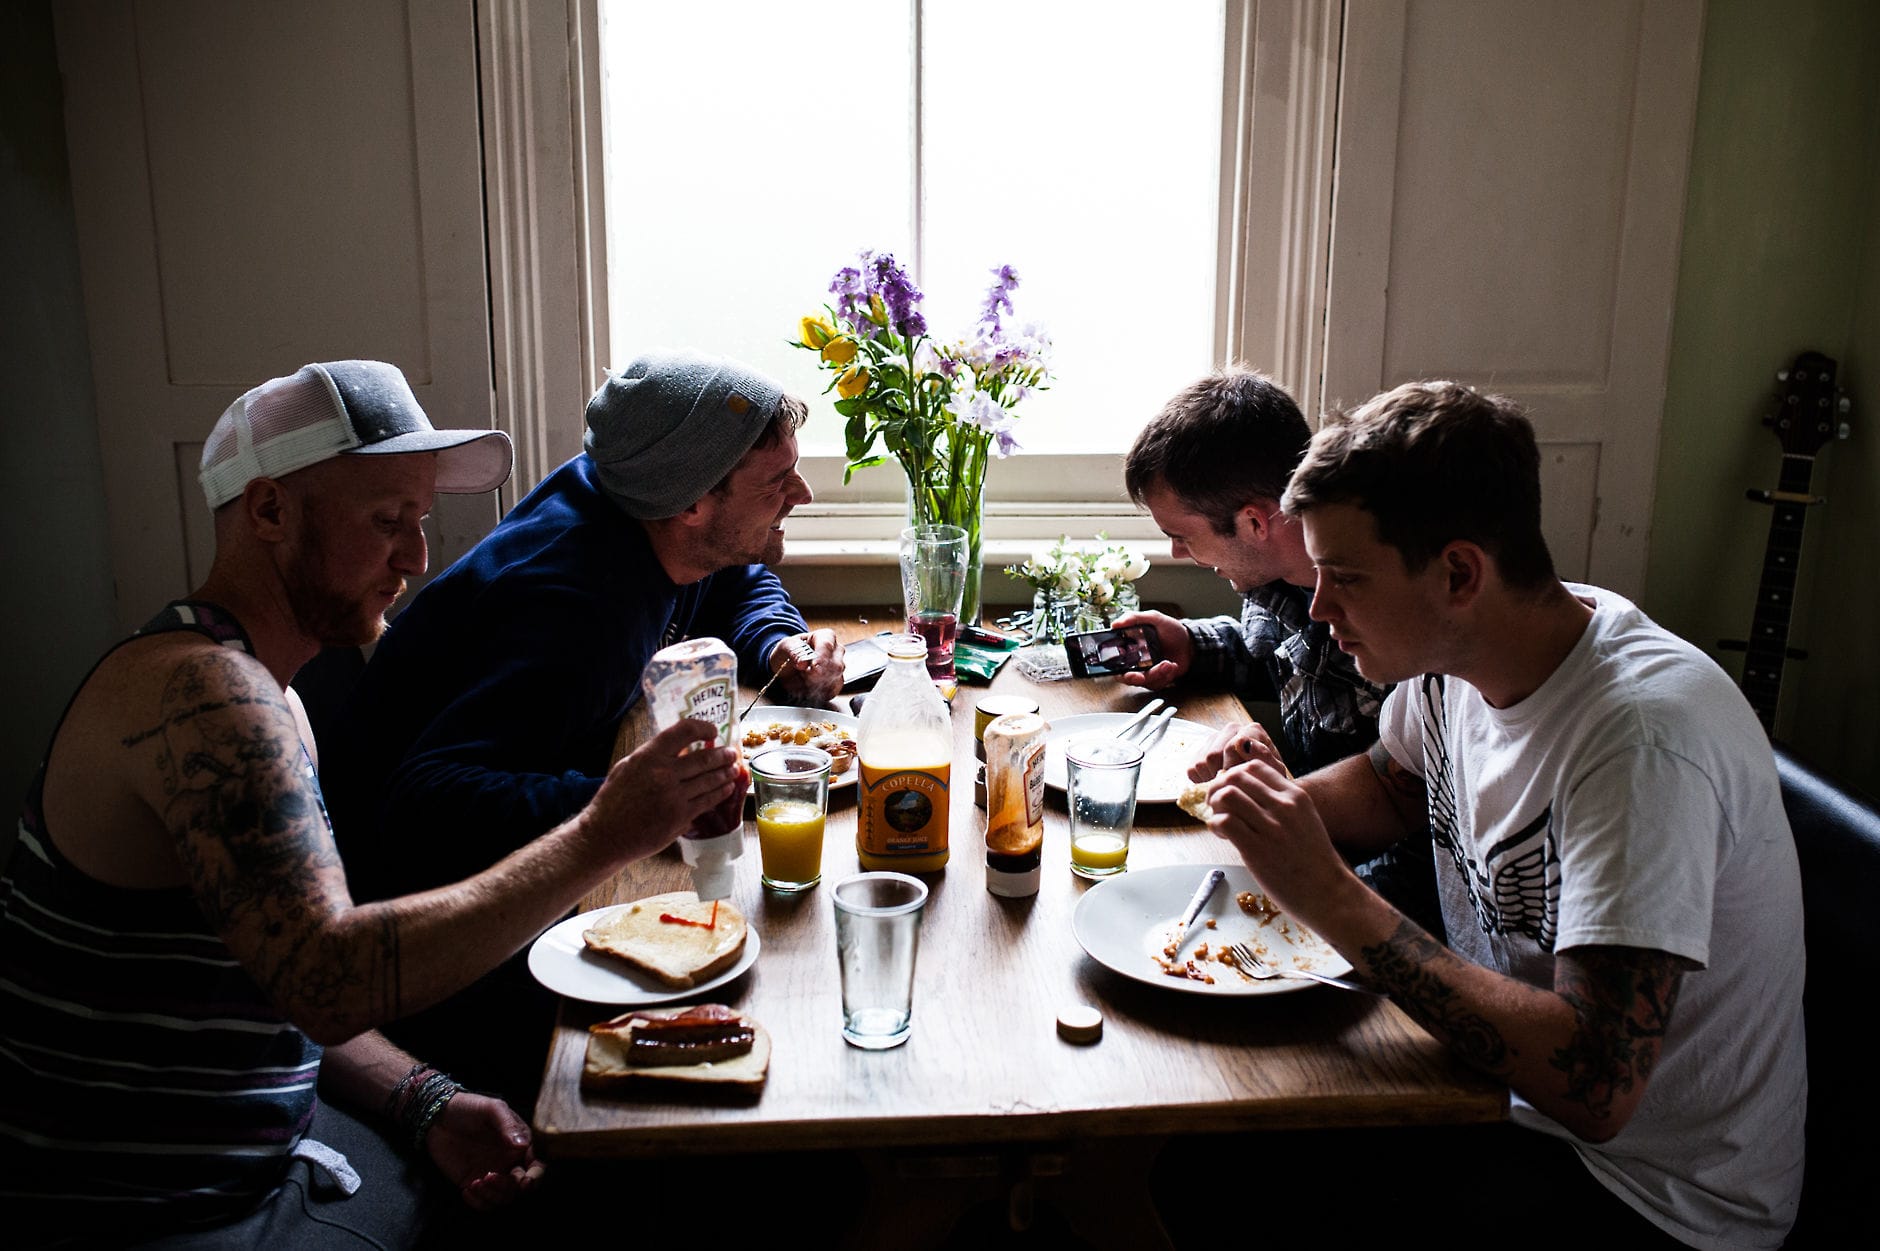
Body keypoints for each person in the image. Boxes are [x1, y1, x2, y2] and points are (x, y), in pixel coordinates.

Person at [0, 361, 744, 1247]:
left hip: (270, 1152)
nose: (418, 557)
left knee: (584, 1166)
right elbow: (329, 979)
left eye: (420, 520)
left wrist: (425, 1099)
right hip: (143, 1207)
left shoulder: (275, 695)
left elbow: (279, 981)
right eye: (387, 521)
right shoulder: (203, 700)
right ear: (270, 511)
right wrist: (602, 832)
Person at [1190, 381, 1806, 1247]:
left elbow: (1596, 1087)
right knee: (1205, 1151)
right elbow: (1393, 783)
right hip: (1499, 1100)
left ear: (1458, 572)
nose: (1319, 609)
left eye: (1347, 579)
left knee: (1225, 1186)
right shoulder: (1459, 653)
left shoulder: (1641, 742)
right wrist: (1265, 806)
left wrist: (1329, 894)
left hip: (1652, 1197)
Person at [323, 349, 843, 1104]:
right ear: (692, 501)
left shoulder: (638, 499)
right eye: (776, 482)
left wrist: (778, 642)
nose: (800, 492)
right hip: (422, 963)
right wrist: (618, 806)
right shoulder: (575, 609)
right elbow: (423, 805)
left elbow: (737, 571)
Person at [1117, 368, 1437, 930]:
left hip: (1363, 898)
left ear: (1253, 522)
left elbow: (1426, 837)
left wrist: (1300, 915)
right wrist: (1194, 644)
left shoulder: (1393, 624)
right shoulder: (1271, 581)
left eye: (1182, 533)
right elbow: (1276, 657)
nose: (1175, 551)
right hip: (1294, 843)